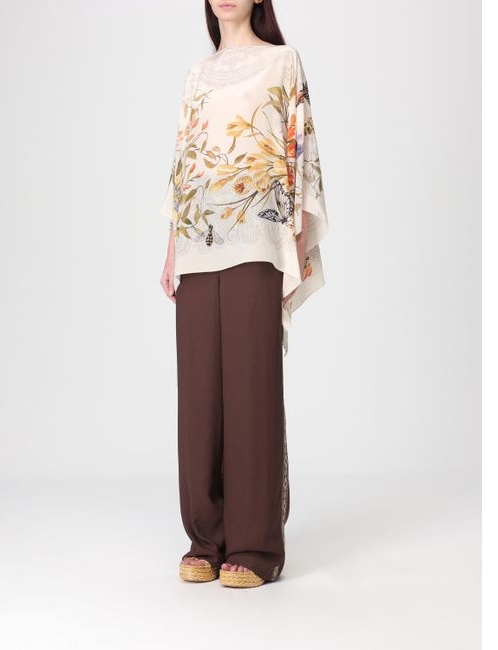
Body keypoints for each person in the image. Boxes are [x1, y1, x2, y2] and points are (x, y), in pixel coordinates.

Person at [160, 0, 328, 588]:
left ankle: (256, 545)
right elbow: (184, 165)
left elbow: (299, 150)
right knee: (199, 390)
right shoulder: (197, 73)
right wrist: (172, 248)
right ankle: (205, 539)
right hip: (198, 240)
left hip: (260, 236)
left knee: (252, 383)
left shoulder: (283, 61)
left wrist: (296, 241)